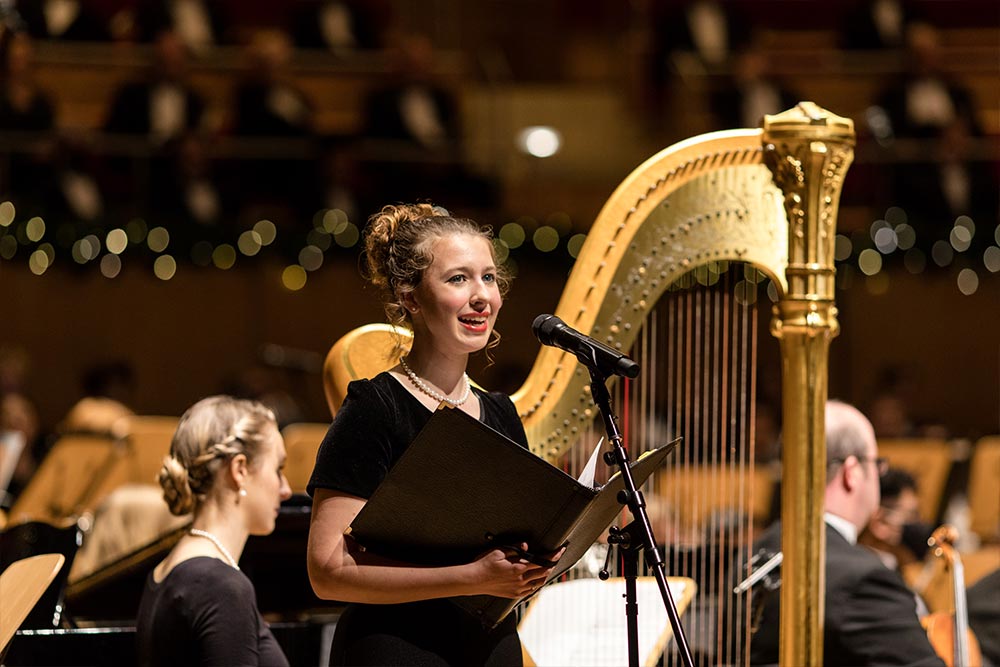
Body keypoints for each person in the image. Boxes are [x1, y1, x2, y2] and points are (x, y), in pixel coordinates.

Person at [306, 203, 561, 666]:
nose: (482, 296)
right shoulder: (374, 408)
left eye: (488, 277)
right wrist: (473, 577)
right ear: (411, 299)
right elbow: (327, 571)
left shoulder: (501, 413)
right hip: (395, 650)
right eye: (458, 279)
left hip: (490, 650)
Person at [749, 400, 945, 666]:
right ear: (851, 472)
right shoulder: (865, 580)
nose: (879, 473)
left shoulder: (749, 558)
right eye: (877, 463)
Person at [136, 395, 292, 667]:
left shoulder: (166, 571)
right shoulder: (221, 586)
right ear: (240, 469)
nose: (286, 489)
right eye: (278, 469)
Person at [859, 467, 932, 573]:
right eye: (910, 515)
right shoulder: (871, 573)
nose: (918, 522)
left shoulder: (895, 564)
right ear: (880, 521)